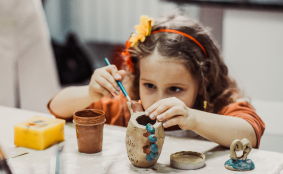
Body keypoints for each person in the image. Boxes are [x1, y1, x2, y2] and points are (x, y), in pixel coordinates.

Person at [48, 14, 265, 148]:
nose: (159, 100)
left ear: (204, 81)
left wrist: (193, 119)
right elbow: (56, 108)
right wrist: (89, 94)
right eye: (149, 86)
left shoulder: (216, 105)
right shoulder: (130, 108)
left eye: (175, 89)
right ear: (138, 76)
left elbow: (250, 134)